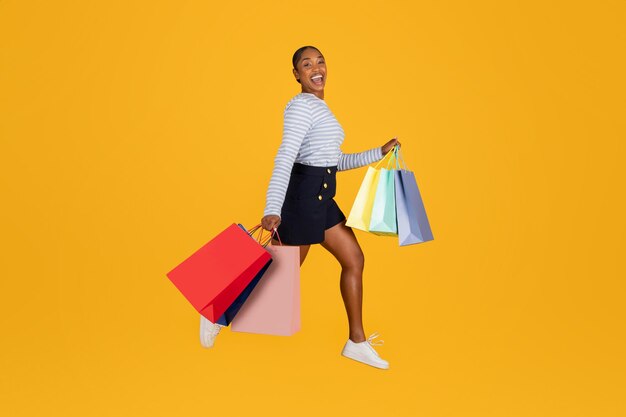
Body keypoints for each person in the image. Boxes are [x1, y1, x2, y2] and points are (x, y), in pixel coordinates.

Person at [201, 46, 399, 370]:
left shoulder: (319, 108)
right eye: (306, 64)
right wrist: (272, 206)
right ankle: (215, 312)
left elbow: (334, 161)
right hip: (302, 198)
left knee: (354, 259)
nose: (316, 67)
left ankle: (356, 342)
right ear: (296, 74)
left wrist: (378, 152)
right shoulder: (300, 107)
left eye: (320, 61)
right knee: (278, 275)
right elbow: (285, 157)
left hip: (321, 198)